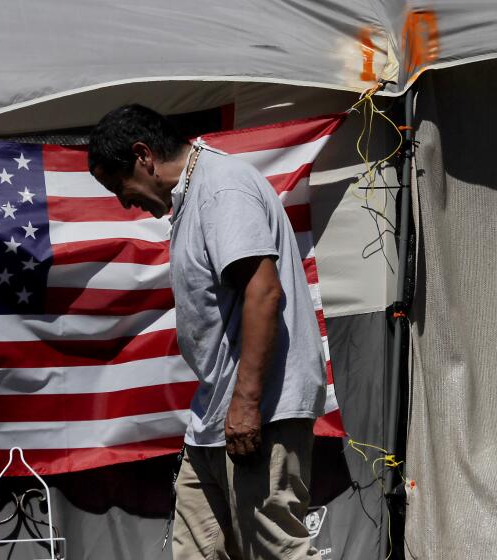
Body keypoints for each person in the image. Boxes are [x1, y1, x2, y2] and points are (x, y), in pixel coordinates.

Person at [88, 104, 326, 560]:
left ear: (143, 156)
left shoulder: (221, 188)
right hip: (213, 418)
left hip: (262, 410)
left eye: (119, 186)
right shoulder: (193, 194)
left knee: (278, 552)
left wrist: (247, 403)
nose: (123, 202)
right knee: (197, 550)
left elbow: (263, 293)